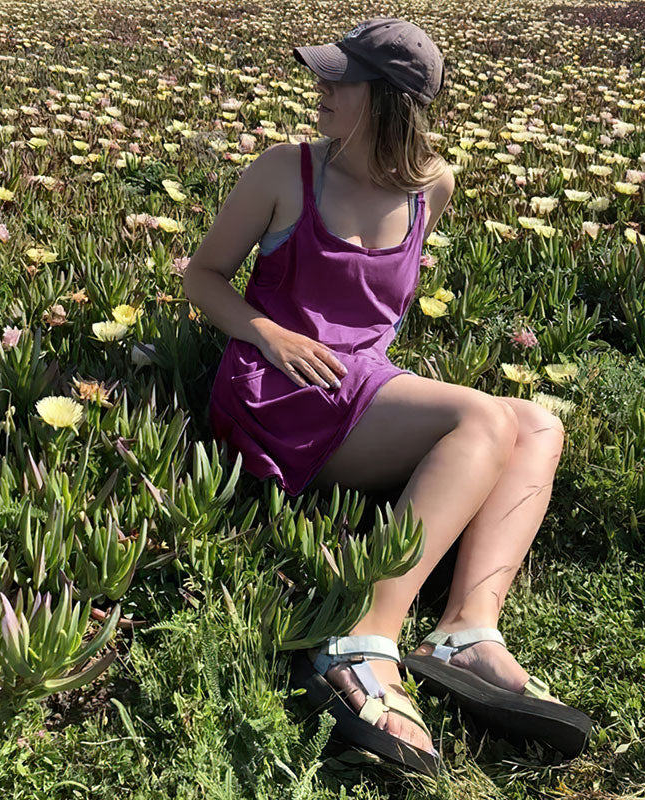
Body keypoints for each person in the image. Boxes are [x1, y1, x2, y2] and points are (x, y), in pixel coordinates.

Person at [184, 17, 591, 777]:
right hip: (278, 388)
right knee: (482, 415)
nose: (320, 90)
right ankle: (361, 633)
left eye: (340, 80)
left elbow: (375, 320)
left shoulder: (434, 183)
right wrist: (268, 334)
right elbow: (202, 278)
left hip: (362, 384)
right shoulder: (285, 170)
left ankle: (467, 630)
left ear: (389, 100)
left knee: (537, 426)